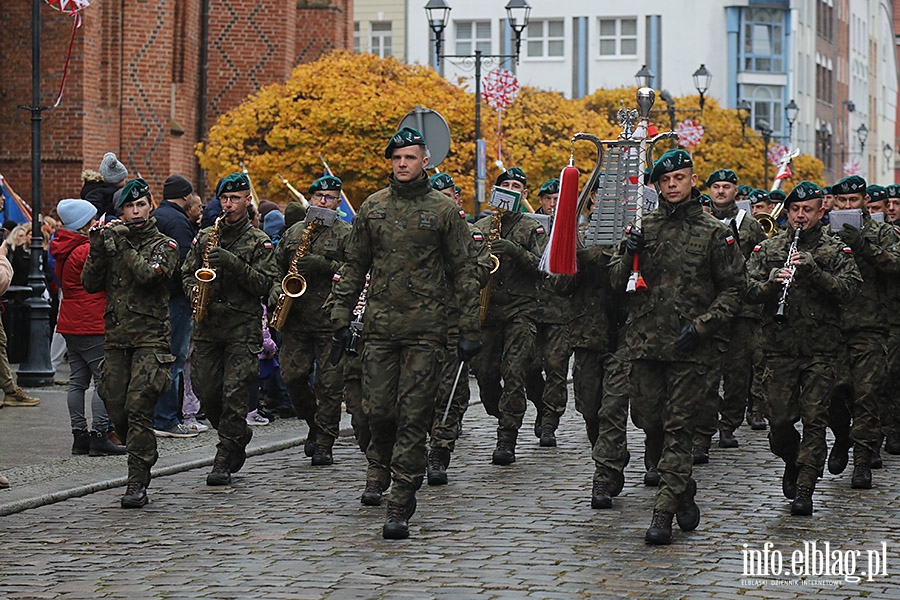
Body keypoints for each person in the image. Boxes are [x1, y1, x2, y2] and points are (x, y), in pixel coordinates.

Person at [330, 127, 482, 539]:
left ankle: (401, 497)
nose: (402, 164)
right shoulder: (373, 207)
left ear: (424, 161)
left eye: (410, 157)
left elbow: (464, 271)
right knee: (377, 411)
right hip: (380, 328)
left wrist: (469, 327)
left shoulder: (443, 211)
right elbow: (354, 265)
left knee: (414, 414)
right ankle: (378, 464)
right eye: (396, 158)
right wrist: (340, 317)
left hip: (425, 331)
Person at [610, 149, 745, 545]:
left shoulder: (714, 231)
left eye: (679, 178)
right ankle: (683, 490)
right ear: (657, 185)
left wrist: (703, 326)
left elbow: (734, 290)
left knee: (678, 429)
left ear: (692, 180)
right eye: (665, 180)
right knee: (649, 422)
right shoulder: (643, 227)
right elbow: (616, 282)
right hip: (646, 345)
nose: (672, 185)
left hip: (691, 350)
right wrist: (629, 250)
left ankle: (663, 512)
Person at [746, 181, 862, 515]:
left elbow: (850, 290)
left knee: (815, 419)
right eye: (795, 209)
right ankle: (791, 459)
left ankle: (806, 487)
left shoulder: (835, 249)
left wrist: (814, 272)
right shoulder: (769, 248)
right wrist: (772, 283)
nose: (800, 216)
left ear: (820, 212)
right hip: (778, 348)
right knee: (780, 424)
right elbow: (747, 289)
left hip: (820, 350)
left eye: (807, 210)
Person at [81, 177, 179, 508]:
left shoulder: (164, 244)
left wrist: (121, 245)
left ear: (150, 206)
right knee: (114, 404)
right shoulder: (113, 242)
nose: (136, 212)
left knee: (138, 407)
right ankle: (143, 447)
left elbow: (149, 276)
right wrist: (97, 247)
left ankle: (136, 480)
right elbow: (89, 283)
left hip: (151, 340)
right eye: (129, 207)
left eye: (141, 205)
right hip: (117, 339)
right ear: (120, 211)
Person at [181, 172, 279, 487]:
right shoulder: (206, 236)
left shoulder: (258, 241)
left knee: (234, 393)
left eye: (235, 199)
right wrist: (194, 291)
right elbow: (187, 272)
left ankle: (223, 457)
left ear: (247, 200)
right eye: (224, 199)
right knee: (207, 392)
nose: (228, 204)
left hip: (241, 328)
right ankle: (237, 433)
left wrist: (233, 263)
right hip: (208, 326)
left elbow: (265, 284)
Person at [826, 175, 900, 490]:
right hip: (833, 327)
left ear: (865, 201)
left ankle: (862, 460)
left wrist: (861, 244)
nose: (847, 206)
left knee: (868, 395)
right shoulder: (827, 235)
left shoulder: (882, 233)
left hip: (871, 326)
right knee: (834, 394)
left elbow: (895, 264)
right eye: (841, 201)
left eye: (852, 200)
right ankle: (842, 437)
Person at [271, 175, 350, 467]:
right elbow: (275, 268)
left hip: (330, 319)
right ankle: (314, 424)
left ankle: (325, 441)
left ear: (338, 202)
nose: (323, 202)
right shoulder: (294, 233)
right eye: (319, 197)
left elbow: (356, 270)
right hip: (297, 319)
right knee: (291, 377)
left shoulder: (346, 234)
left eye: (329, 198)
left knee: (329, 385)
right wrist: (275, 289)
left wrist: (325, 266)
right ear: (311, 199)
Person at [473, 167, 547, 465]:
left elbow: (544, 267)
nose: (511, 190)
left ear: (524, 193)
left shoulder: (532, 228)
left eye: (517, 186)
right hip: (488, 310)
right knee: (485, 375)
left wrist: (515, 251)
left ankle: (507, 438)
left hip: (521, 309)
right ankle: (501, 412)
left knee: (514, 372)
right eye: (506, 185)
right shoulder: (481, 226)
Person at [692, 169, 766, 459]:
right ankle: (703, 431)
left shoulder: (750, 224)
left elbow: (762, 259)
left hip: (742, 311)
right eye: (716, 186)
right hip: (709, 308)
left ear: (736, 191)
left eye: (726, 186)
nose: (721, 191)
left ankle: (728, 425)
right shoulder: (700, 222)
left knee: (737, 374)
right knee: (707, 375)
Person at [426, 173, 491, 485]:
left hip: (455, 321)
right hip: (419, 322)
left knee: (451, 391)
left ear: (457, 198)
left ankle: (440, 451)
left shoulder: (472, 233)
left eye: (448, 195)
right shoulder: (418, 232)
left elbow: (482, 273)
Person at [50, 199, 125, 456]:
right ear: (84, 225)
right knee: (104, 381)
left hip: (71, 321)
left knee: (77, 382)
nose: (98, 224)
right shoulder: (85, 250)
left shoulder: (64, 247)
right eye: (93, 220)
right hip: (92, 322)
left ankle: (79, 436)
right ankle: (100, 435)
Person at [525, 177, 574, 447]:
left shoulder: (575, 227)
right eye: (548, 199)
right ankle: (541, 405)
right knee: (528, 367)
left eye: (557, 199)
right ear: (541, 201)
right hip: (532, 309)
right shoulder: (530, 226)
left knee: (556, 367)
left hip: (560, 311)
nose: (552, 204)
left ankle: (549, 423)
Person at [152, 174, 201, 438]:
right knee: (174, 360)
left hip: (158, 298)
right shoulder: (179, 222)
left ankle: (159, 416)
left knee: (160, 358)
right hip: (177, 300)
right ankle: (166, 419)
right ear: (185, 196)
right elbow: (185, 265)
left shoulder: (157, 216)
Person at [83, 153, 128, 220]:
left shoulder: (99, 190)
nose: (126, 181)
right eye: (123, 179)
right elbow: (94, 215)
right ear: (114, 180)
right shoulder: (98, 193)